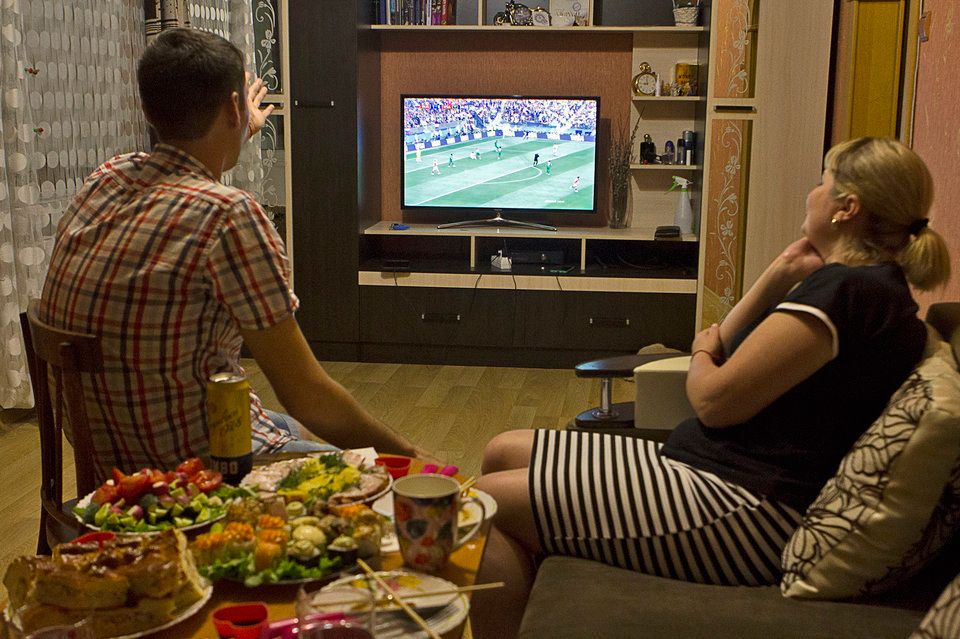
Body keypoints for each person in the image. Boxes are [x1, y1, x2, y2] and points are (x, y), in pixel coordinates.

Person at [469, 137, 951, 638]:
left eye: (822, 182)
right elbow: (729, 344)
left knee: (483, 502)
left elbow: (714, 398)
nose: (812, 193)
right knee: (503, 449)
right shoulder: (863, 286)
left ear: (845, 209)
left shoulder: (849, 293)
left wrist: (699, 354)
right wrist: (781, 271)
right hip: (717, 469)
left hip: (751, 509)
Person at [38, 28, 425, 478]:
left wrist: (235, 134)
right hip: (190, 481)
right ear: (236, 106)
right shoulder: (229, 215)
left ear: (145, 107)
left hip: (110, 467)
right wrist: (413, 457)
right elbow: (308, 395)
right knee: (370, 464)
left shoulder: (106, 178)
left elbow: (183, 203)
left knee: (286, 423)